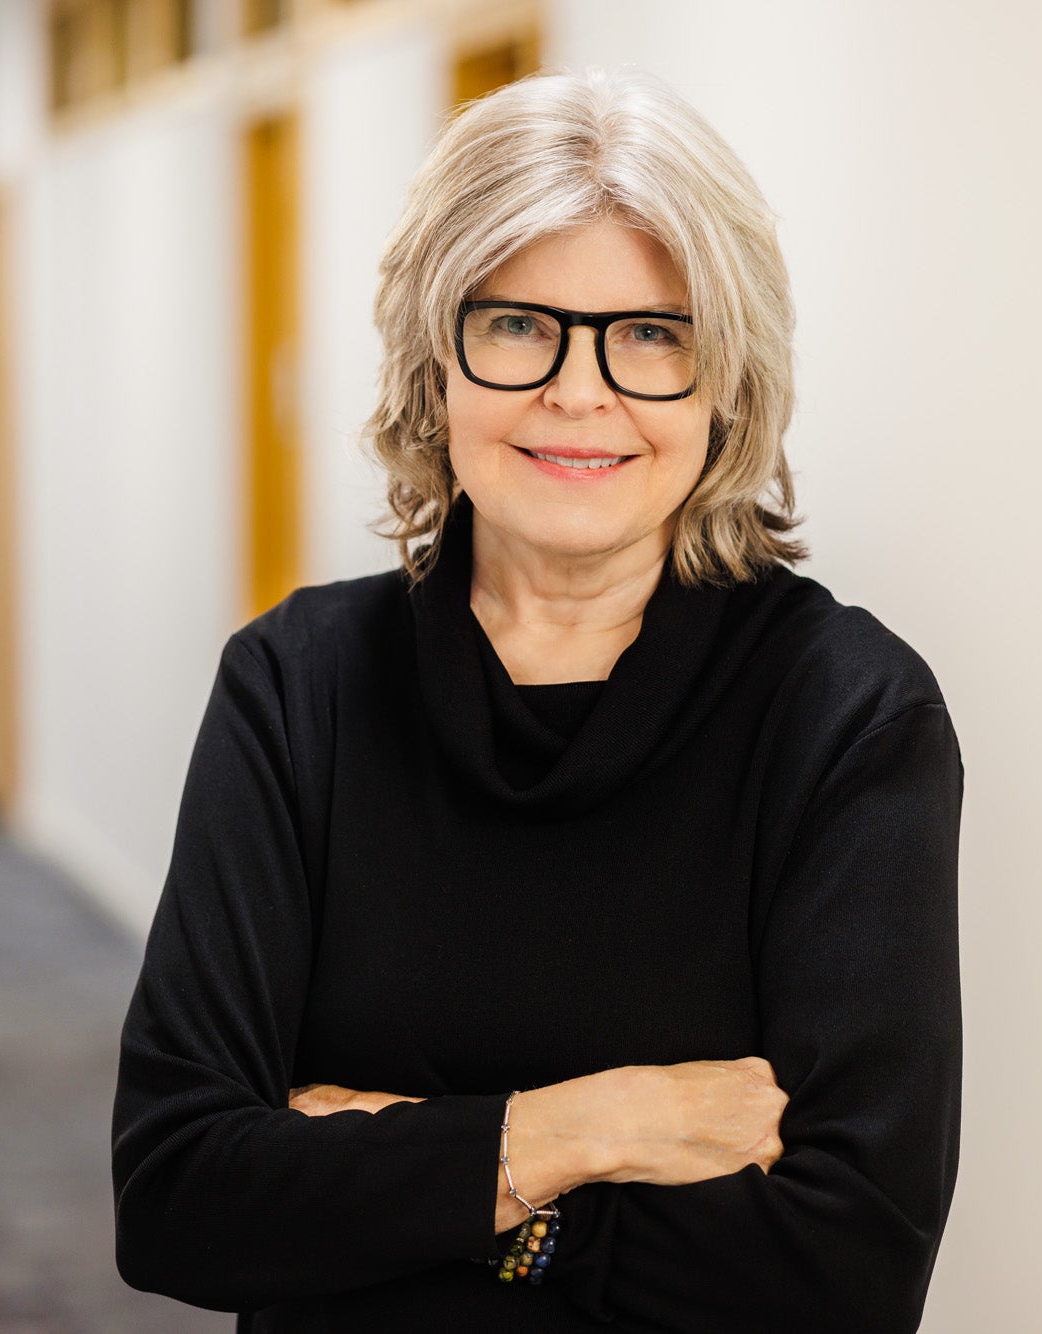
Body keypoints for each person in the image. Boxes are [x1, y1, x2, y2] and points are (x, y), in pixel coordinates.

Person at [111, 65, 964, 1333]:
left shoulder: (846, 715)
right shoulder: (297, 685)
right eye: (516, 324)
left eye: (653, 334)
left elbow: (843, 1270)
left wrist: (403, 1165)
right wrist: (594, 1126)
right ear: (431, 359)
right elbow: (179, 1194)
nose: (579, 390)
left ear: (725, 381)